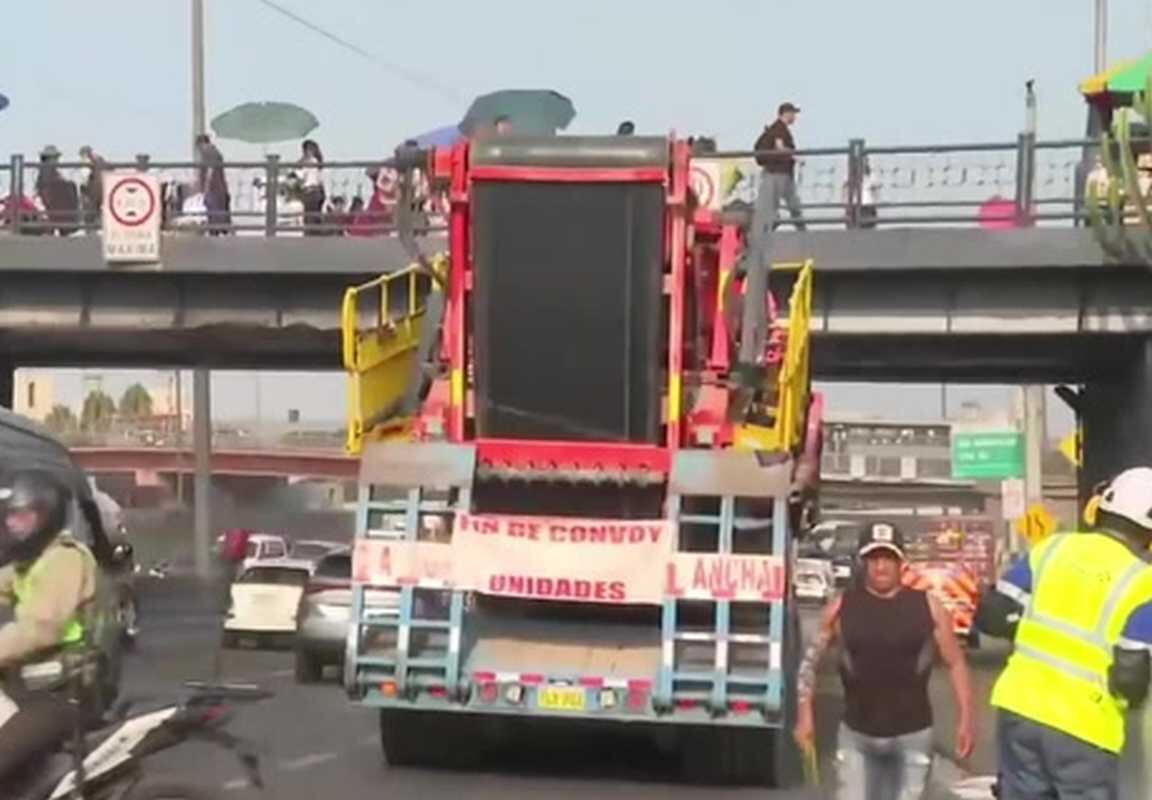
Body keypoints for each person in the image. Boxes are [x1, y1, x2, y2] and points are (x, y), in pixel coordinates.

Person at [976, 466, 1152, 800]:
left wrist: (1028, 629)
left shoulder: (1051, 549)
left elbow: (991, 616)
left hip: (1020, 708)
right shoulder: (1143, 582)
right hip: (1085, 726)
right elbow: (1130, 675)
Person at [794, 521, 975, 800]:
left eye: (888, 558)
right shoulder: (841, 608)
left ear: (901, 562)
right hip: (857, 736)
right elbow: (809, 664)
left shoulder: (928, 606)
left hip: (913, 737)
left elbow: (956, 663)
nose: (881, 567)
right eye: (874, 559)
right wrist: (805, 716)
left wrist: (965, 719)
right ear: (863, 563)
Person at [0, 470, 98, 780]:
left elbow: (40, 628)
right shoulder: (28, 563)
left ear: (46, 516)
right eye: (10, 516)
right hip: (33, 684)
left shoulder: (63, 560)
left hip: (63, 692)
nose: (12, 524)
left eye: (22, 516)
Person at [195, 133, 231, 235]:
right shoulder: (214, 151)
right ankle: (220, 230)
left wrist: (205, 187)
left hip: (214, 187)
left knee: (214, 211)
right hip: (218, 187)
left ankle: (215, 232)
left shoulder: (208, 152)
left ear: (202, 144)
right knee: (218, 211)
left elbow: (210, 170)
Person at [299, 139, 326, 236]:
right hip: (315, 191)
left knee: (310, 218)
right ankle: (314, 237)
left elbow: (301, 175)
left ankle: (310, 238)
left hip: (311, 191)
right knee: (313, 217)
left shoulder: (311, 161)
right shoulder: (316, 162)